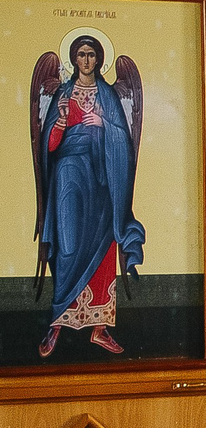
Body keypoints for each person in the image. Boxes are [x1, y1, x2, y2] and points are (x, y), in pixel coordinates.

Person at [31, 36, 144, 357]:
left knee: (104, 245)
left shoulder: (107, 95)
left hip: (102, 179)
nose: (85, 60)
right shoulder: (64, 94)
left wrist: (104, 124)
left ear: (98, 59)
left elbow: (124, 142)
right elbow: (48, 147)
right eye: (80, 54)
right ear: (73, 58)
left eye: (91, 54)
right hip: (68, 176)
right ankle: (56, 323)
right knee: (66, 246)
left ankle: (99, 328)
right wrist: (62, 123)